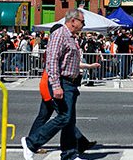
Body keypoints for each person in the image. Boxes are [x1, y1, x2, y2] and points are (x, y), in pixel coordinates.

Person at [22, 9, 86, 160]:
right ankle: (31, 142)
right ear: (73, 21)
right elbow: (52, 60)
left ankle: (69, 154)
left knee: (70, 120)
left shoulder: (71, 37)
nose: (84, 25)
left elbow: (68, 60)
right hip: (62, 82)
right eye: (82, 22)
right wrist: (56, 85)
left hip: (70, 83)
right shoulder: (60, 34)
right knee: (64, 117)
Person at [28, 23, 99, 155]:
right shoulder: (55, 45)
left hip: (48, 84)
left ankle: (80, 143)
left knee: (52, 116)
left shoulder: (54, 44)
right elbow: (56, 65)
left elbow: (70, 64)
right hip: (51, 85)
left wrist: (88, 66)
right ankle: (31, 142)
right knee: (64, 116)